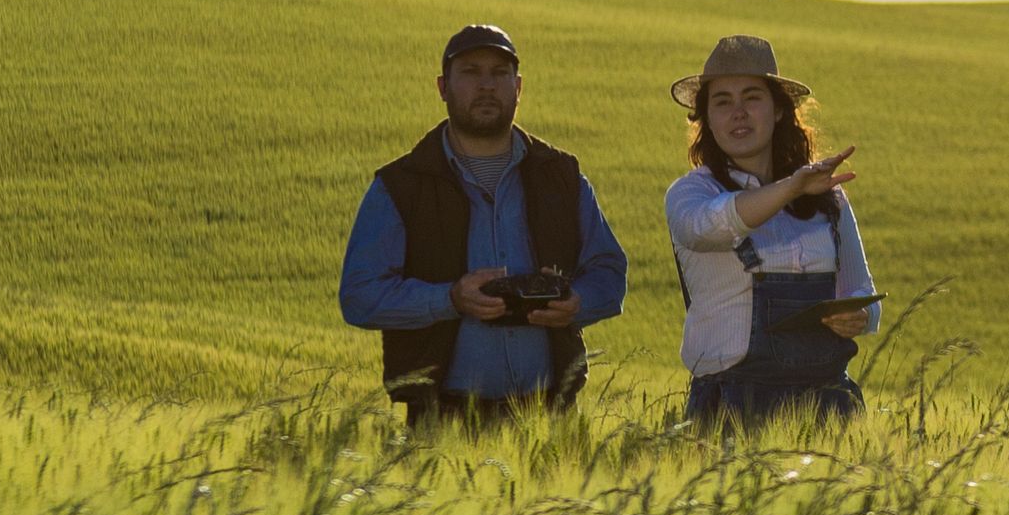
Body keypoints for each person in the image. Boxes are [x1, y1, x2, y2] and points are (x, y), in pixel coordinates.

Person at [339, 21, 629, 425]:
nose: (487, 85)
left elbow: (610, 273)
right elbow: (359, 296)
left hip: (553, 417)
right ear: (443, 87)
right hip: (442, 422)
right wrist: (450, 299)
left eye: (499, 73)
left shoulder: (561, 176)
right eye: (471, 72)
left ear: (518, 87)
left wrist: (577, 302)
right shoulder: (401, 186)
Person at [665, 32, 878, 428]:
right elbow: (710, 226)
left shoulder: (828, 198)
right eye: (722, 102)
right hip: (730, 408)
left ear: (779, 111)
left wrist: (861, 315)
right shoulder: (691, 193)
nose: (738, 113)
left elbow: (863, 291)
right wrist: (792, 186)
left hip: (828, 406)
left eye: (752, 97)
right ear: (706, 118)